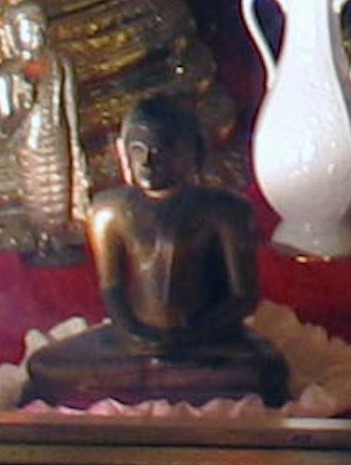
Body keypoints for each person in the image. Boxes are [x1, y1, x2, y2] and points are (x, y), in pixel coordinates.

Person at [23, 92, 287, 406]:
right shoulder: (109, 210)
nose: (148, 162)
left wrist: (190, 337)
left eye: (163, 151)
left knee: (265, 371)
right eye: (138, 150)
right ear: (122, 154)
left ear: (195, 153)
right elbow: (113, 290)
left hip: (207, 341)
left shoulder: (226, 211)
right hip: (131, 343)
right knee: (44, 367)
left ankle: (164, 375)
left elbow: (242, 296)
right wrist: (138, 334)